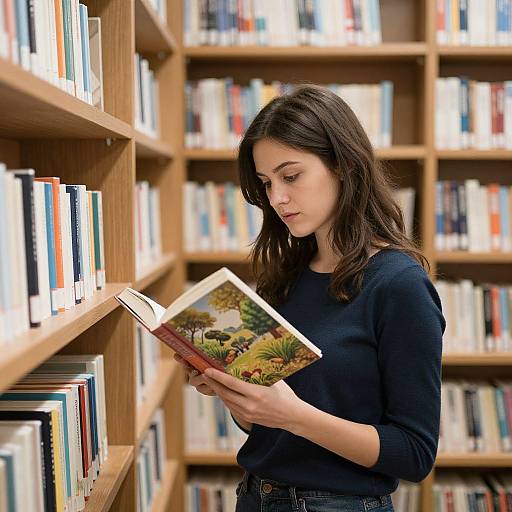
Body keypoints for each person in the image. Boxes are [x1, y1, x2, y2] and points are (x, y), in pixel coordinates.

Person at [174, 84, 445, 512]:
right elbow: (265, 426)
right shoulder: (285, 276)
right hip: (255, 497)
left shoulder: (399, 284)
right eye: (266, 182)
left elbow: (414, 453)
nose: (277, 198)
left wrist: (292, 415)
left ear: (342, 165)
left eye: (291, 175)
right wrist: (232, 392)